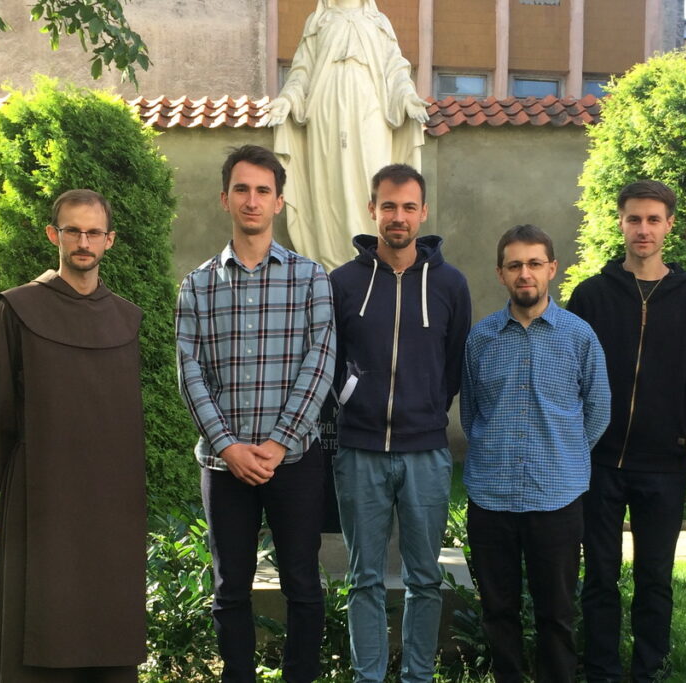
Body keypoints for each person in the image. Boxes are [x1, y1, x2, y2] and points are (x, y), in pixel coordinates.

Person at [175, 145, 335, 683]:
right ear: (225, 199)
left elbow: (321, 362)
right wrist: (228, 446)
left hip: (294, 460)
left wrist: (279, 442)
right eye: (241, 189)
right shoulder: (196, 286)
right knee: (229, 588)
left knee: (302, 585)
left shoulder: (310, 279)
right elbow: (189, 371)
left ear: (279, 202)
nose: (252, 200)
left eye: (263, 190)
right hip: (224, 466)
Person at [0, 189, 146, 682]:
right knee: (42, 613)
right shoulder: (17, 308)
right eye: (73, 231)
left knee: (106, 613)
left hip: (112, 500)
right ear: (54, 235)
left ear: (109, 240)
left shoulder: (126, 318)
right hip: (41, 490)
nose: (83, 242)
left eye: (93, 232)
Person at [567, 180, 686, 682]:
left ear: (669, 225)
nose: (644, 229)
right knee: (600, 576)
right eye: (634, 219)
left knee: (655, 577)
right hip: (600, 461)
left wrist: (675, 420)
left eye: (654, 219)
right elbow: (571, 371)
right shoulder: (591, 295)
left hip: (664, 463)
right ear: (621, 223)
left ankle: (649, 669)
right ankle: (601, 669)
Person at [329, 163, 471, 683]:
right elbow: (329, 360)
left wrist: (427, 408)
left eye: (409, 206)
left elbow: (454, 364)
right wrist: (354, 400)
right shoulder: (342, 282)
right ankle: (367, 676)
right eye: (388, 205)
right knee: (363, 579)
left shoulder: (450, 284)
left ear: (423, 212)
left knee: (424, 578)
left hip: (426, 453)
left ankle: (417, 676)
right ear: (373, 210)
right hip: (359, 450)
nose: (398, 216)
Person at [461, 224, 611, 683]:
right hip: (491, 499)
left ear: (552, 269)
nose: (524, 273)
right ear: (500, 274)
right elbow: (471, 413)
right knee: (497, 612)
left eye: (534, 263)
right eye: (514, 265)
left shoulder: (580, 336)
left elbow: (598, 410)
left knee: (557, 615)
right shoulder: (481, 339)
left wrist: (564, 454)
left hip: (557, 499)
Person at [268, 0, 429, 272]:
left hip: (371, 112)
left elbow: (396, 70)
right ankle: (332, 265)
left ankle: (371, 260)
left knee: (372, 180)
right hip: (325, 112)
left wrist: (407, 97)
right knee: (330, 187)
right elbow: (301, 72)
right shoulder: (319, 21)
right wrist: (288, 99)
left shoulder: (378, 22)